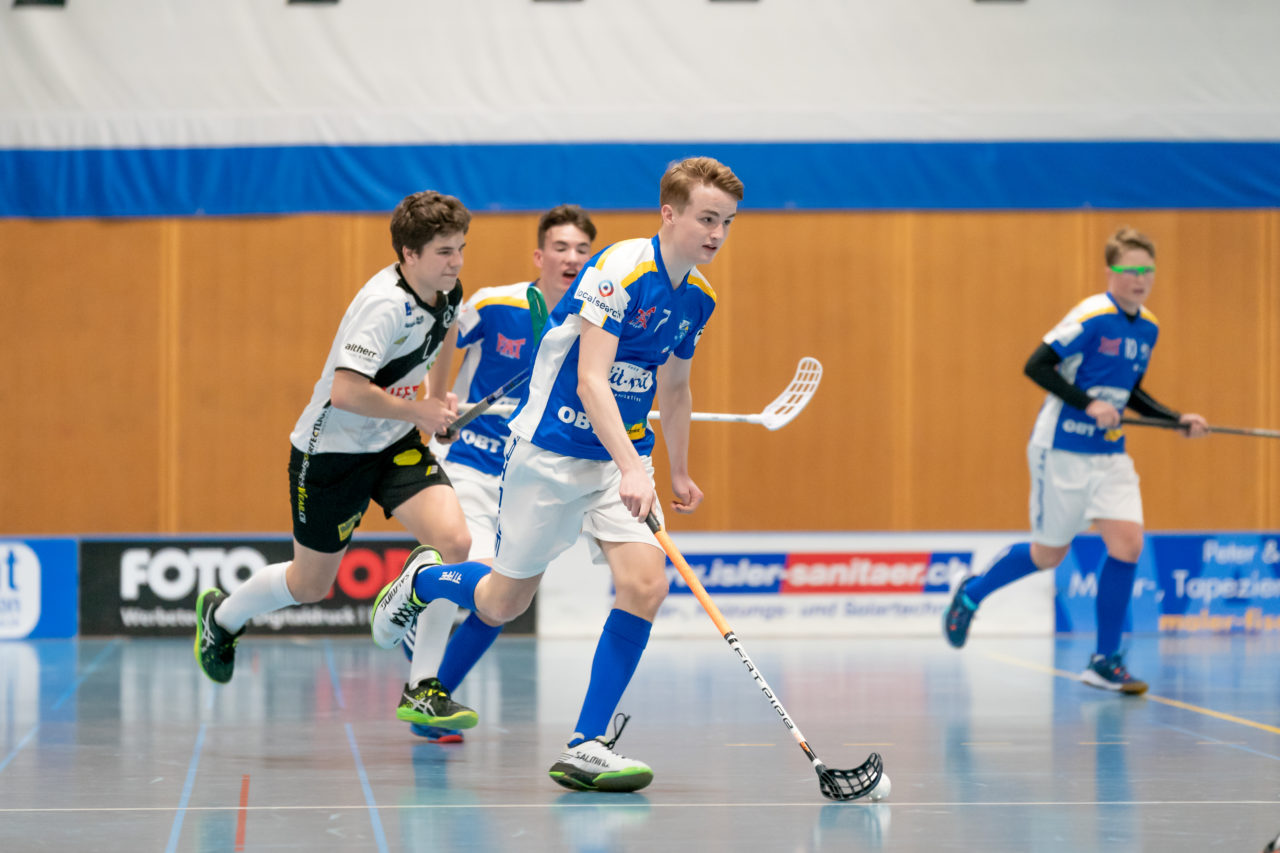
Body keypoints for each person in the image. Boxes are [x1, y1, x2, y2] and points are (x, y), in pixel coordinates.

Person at [370, 156, 744, 792]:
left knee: (646, 585)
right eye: (706, 218)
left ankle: (586, 743)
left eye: (727, 222)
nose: (716, 233)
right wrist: (634, 468)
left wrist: (676, 471)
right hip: (549, 451)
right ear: (669, 214)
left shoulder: (699, 299)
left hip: (618, 457)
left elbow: (675, 389)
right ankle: (427, 580)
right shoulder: (619, 268)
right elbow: (589, 378)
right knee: (502, 600)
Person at [194, 191, 476, 736]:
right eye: (444, 252)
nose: (457, 262)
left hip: (393, 444)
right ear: (408, 253)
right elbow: (346, 392)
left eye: (461, 248)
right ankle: (223, 617)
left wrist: (437, 406)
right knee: (310, 585)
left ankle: (423, 688)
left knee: (455, 545)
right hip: (330, 454)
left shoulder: (446, 290)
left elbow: (440, 344)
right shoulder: (382, 305)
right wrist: (417, 407)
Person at [943, 227, 1208, 693]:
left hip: (1109, 454)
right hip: (1061, 449)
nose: (1139, 278)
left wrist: (1175, 418)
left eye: (1147, 269)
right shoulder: (1091, 316)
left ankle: (1105, 660)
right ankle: (972, 593)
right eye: (1129, 269)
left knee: (1127, 544)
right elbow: (1036, 365)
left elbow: (1131, 393)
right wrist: (1086, 403)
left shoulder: (1149, 327)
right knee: (1049, 554)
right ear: (1111, 272)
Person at [402, 204, 598, 743]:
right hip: (466, 460)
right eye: (561, 247)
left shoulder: (594, 324)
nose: (571, 258)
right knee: (472, 562)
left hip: (526, 477)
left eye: (582, 250)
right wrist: (438, 400)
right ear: (540, 255)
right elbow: (444, 336)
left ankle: (428, 681)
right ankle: (423, 675)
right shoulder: (496, 304)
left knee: (503, 599)